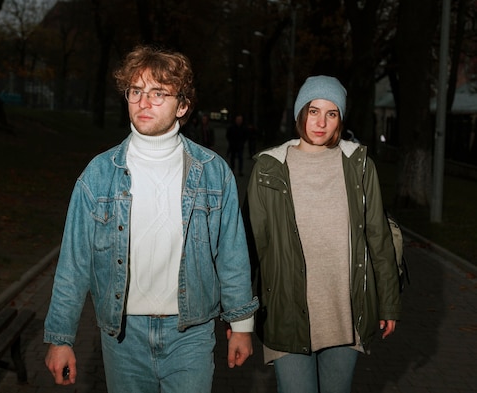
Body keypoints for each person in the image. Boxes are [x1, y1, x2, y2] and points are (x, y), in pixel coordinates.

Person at [44, 44, 259, 393]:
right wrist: (60, 338)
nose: (144, 102)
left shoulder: (212, 173)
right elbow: (73, 263)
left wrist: (242, 324)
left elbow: (232, 254)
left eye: (159, 93)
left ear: (183, 105)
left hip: (191, 332)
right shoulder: (98, 175)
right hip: (123, 335)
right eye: (136, 91)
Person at [246, 75, 401, 393]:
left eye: (331, 114)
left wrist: (388, 304)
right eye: (313, 110)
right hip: (286, 312)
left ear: (340, 119)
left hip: (345, 311)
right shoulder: (268, 168)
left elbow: (378, 240)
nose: (320, 122)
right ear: (300, 113)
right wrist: (240, 317)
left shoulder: (359, 167)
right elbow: (251, 248)